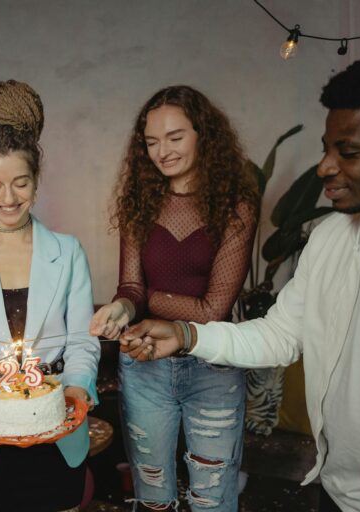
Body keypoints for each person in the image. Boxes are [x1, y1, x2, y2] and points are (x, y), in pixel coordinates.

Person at [120, 54, 360, 512]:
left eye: (347, 152)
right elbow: (279, 334)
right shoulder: (330, 239)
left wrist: (158, 305)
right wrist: (185, 332)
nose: (325, 168)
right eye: (326, 149)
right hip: (338, 490)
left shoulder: (233, 205)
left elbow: (211, 304)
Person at [90, 85, 258, 511]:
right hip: (145, 366)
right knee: (152, 497)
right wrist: (120, 309)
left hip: (214, 369)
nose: (162, 151)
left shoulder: (235, 205)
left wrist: (147, 299)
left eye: (175, 137)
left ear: (204, 134)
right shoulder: (139, 204)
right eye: (151, 142)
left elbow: (213, 310)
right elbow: (130, 289)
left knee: (212, 499)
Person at [0, 79, 101, 512]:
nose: (7, 199)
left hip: (57, 427)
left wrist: (77, 392)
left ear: (37, 179)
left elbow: (83, 341)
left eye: (20, 183)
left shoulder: (67, 252)